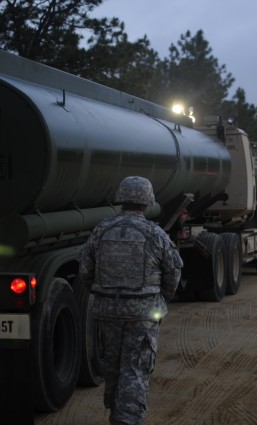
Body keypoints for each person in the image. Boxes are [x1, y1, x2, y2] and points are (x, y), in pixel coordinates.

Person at [79, 176, 183, 425]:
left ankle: (116, 414)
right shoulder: (154, 233)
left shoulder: (101, 229)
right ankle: (128, 420)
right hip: (143, 313)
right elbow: (174, 270)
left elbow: (85, 269)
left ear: (121, 198)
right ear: (147, 201)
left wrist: (101, 294)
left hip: (107, 311)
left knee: (113, 366)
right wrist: (161, 297)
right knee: (135, 368)